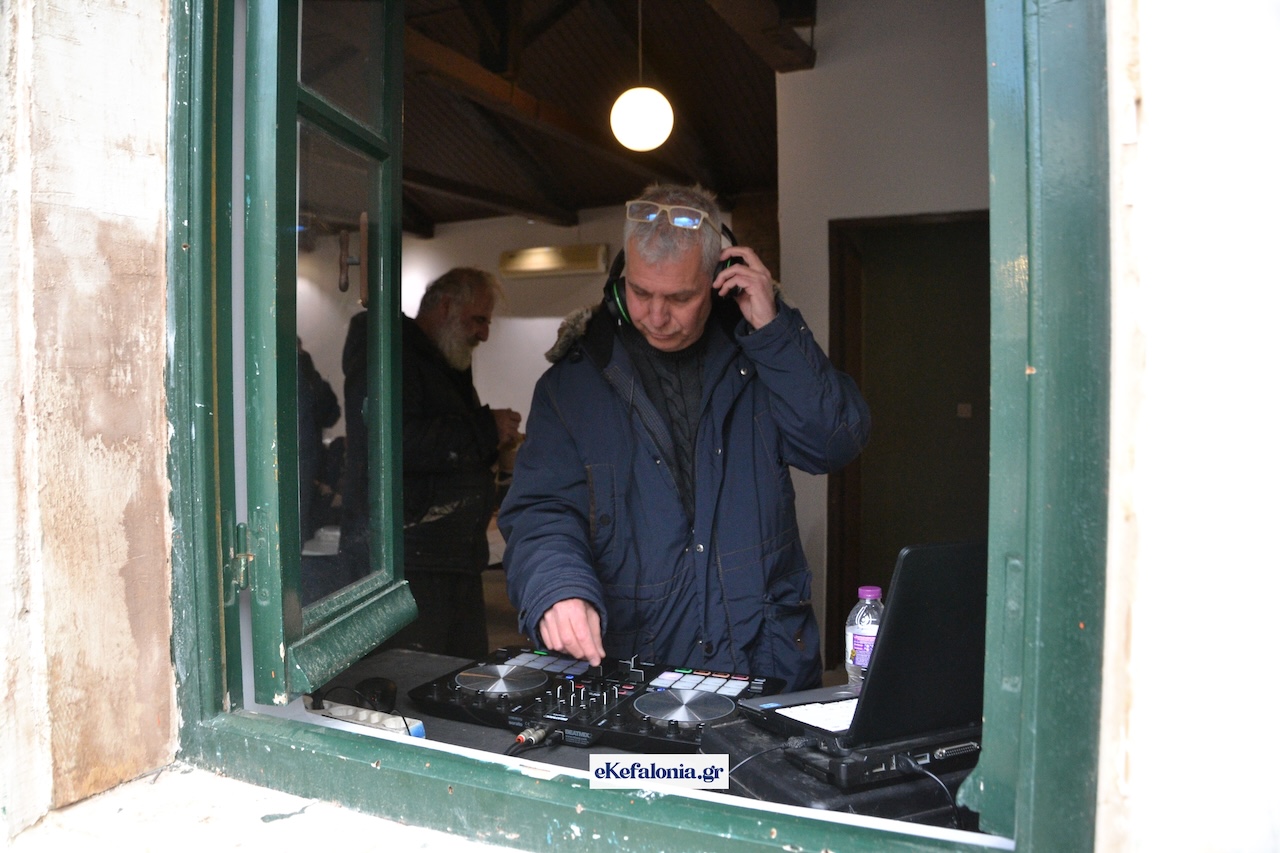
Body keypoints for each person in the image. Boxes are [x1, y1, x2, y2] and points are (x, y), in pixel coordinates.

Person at [499, 185, 871, 691]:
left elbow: (834, 443)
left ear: (720, 281)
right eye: (640, 292)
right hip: (638, 668)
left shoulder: (763, 355)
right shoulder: (571, 386)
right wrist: (558, 587)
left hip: (765, 662)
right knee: (646, 761)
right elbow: (541, 509)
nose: (655, 316)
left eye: (680, 297)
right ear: (620, 282)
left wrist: (775, 330)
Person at [343, 267, 521, 658]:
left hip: (448, 556)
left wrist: (494, 446)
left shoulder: (437, 359)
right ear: (445, 306)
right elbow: (392, 443)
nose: (484, 334)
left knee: (460, 673)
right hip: (411, 561)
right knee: (421, 675)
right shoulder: (391, 353)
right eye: (478, 320)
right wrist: (485, 428)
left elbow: (438, 442)